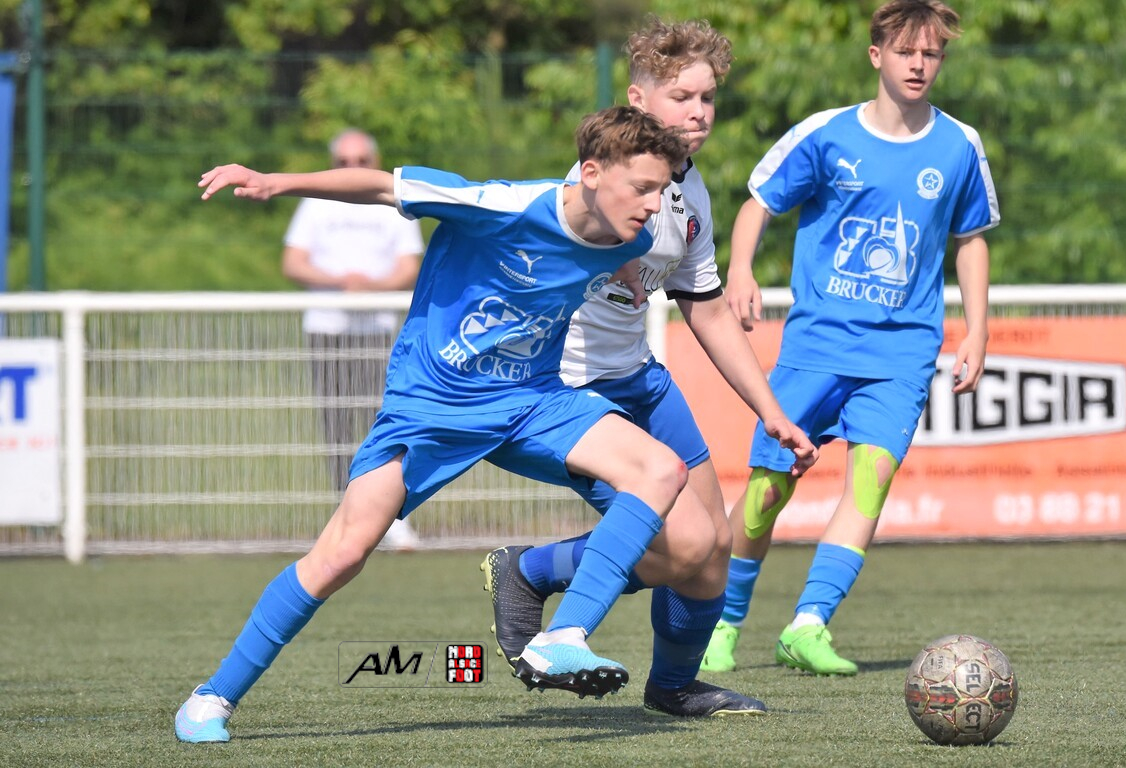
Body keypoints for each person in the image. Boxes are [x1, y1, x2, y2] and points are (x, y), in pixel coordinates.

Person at [174, 106, 697, 744]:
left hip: (533, 402)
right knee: (342, 554)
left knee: (661, 469)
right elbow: (381, 185)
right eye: (642, 188)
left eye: (662, 189)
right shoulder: (502, 206)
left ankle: (564, 634)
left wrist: (631, 281)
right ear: (590, 173)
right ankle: (212, 697)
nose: (654, 204)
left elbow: (619, 256)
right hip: (433, 407)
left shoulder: (633, 235)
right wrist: (276, 181)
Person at [481, 18, 817, 718]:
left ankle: (674, 687)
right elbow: (547, 242)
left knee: (715, 545)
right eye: (681, 97)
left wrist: (772, 413)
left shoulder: (692, 193)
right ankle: (531, 571)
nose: (699, 112)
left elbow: (708, 310)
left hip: (640, 379)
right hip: (571, 388)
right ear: (637, 100)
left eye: (708, 97)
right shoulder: (600, 180)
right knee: (683, 546)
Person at [701, 0, 998, 676]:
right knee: (767, 492)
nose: (919, 64)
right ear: (876, 56)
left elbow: (971, 239)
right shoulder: (827, 134)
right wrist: (740, 269)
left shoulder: (959, 145)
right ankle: (722, 622)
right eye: (906, 52)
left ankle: (808, 625)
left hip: (902, 354)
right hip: (817, 347)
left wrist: (979, 329)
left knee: (871, 481)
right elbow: (759, 203)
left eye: (931, 54)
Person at [283, 128, 424, 550]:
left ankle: (391, 518)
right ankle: (347, 517)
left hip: (379, 331)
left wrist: (370, 287)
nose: (352, 169)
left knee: (385, 422)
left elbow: (409, 266)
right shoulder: (315, 204)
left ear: (375, 162)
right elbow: (293, 262)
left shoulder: (394, 207)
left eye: (361, 161)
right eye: (344, 162)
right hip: (326, 329)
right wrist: (340, 282)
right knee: (337, 425)